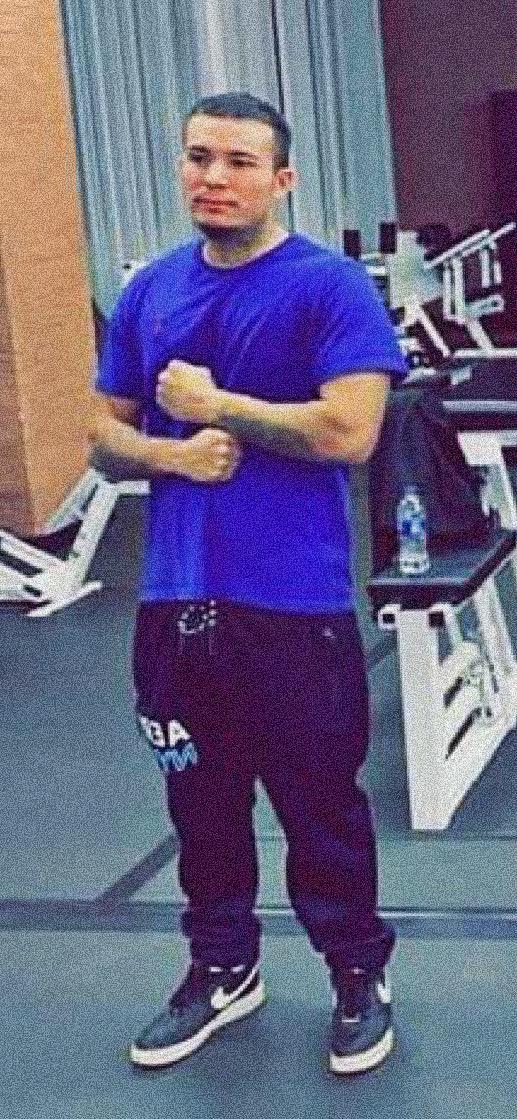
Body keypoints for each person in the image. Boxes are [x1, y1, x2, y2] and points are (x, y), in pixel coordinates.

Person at [89, 91, 407, 1076]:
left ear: (282, 179)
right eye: (198, 157)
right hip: (173, 602)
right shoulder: (151, 291)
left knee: (320, 810)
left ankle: (356, 972)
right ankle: (223, 967)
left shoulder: (327, 288)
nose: (213, 177)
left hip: (292, 605)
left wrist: (217, 405)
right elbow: (101, 435)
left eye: (237, 161)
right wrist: (169, 454)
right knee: (202, 809)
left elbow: (350, 432)